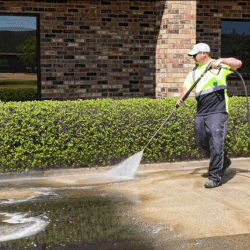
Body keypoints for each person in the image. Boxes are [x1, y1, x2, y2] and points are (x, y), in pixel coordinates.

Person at [176, 43, 242, 188]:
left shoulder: (219, 67)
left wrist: (221, 61)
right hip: (202, 111)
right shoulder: (194, 71)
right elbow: (186, 86)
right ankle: (223, 161)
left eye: (195, 54)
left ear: (204, 53)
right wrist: (182, 96)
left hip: (218, 110)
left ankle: (215, 177)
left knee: (216, 143)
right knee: (201, 141)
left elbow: (238, 63)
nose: (193, 57)